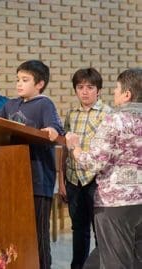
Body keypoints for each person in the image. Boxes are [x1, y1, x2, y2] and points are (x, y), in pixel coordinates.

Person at [65, 68, 142, 268]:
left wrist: (75, 147)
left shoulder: (114, 119)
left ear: (127, 94)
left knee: (115, 262)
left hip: (115, 204)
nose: (114, 93)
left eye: (116, 88)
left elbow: (93, 162)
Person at [0, 60, 65, 269]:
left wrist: (52, 130)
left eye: (25, 80)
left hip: (38, 179)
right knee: (17, 230)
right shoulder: (10, 105)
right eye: (17, 79)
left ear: (39, 84)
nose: (19, 84)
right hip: (13, 177)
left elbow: (54, 129)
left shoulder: (45, 104)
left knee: (38, 232)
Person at [59, 68, 112, 269]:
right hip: (74, 181)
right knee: (78, 230)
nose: (85, 92)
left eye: (90, 87)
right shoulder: (71, 114)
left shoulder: (108, 114)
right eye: (80, 87)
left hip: (97, 181)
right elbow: (65, 148)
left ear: (98, 90)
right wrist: (61, 179)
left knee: (101, 231)